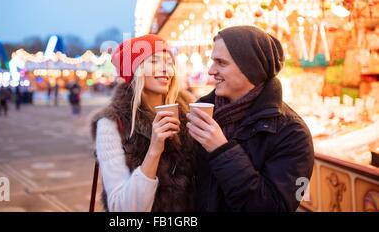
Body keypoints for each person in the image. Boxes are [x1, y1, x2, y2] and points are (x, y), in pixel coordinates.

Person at [187, 26, 314, 212]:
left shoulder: (292, 133)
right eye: (212, 61)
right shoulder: (205, 112)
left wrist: (222, 150)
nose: (211, 71)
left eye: (221, 63)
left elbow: (275, 207)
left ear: (250, 68)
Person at [91, 34, 197, 212]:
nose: (166, 69)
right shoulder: (112, 124)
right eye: (154, 61)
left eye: (169, 62)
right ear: (136, 69)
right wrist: (154, 149)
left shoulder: (189, 115)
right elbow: (121, 209)